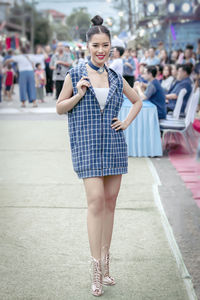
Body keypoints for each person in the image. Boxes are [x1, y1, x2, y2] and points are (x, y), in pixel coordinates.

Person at [56, 15, 142, 297]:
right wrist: (79, 95)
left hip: (114, 146)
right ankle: (95, 269)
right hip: (87, 145)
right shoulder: (75, 73)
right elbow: (60, 107)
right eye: (96, 45)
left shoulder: (117, 76)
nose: (101, 50)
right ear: (87, 46)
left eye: (106, 45)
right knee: (95, 202)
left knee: (110, 203)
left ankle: (106, 266)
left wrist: (126, 122)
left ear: (111, 48)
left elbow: (137, 101)